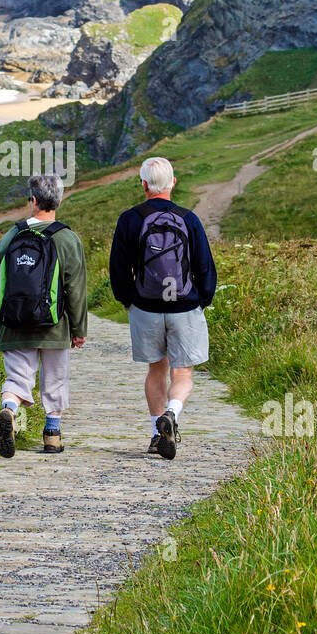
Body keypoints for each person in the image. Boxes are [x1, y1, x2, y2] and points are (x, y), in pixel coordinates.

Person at [108, 156, 216, 460]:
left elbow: (118, 269)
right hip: (185, 306)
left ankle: (158, 433)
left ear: (143, 184)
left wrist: (128, 300)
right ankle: (172, 412)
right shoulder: (189, 218)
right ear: (173, 183)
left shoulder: (130, 219)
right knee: (183, 373)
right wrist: (201, 301)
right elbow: (204, 266)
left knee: (156, 369)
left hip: (145, 306)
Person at [0, 173, 87, 458]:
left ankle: (9, 410)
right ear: (58, 200)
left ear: (33, 200)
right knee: (55, 379)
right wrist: (78, 329)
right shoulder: (67, 238)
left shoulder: (11, 235)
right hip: (55, 326)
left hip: (14, 323)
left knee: (17, 379)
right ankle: (52, 435)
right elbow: (75, 288)